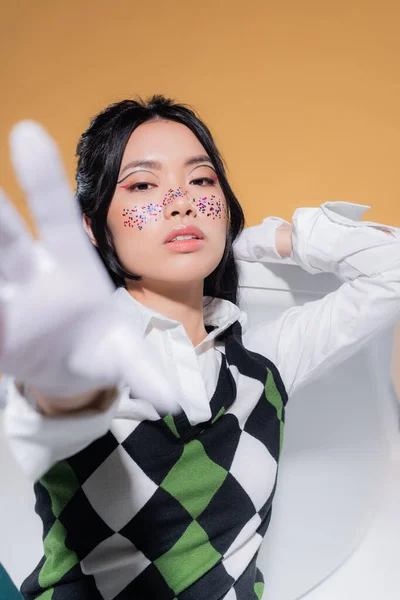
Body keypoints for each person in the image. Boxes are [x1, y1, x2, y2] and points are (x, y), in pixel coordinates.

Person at [1, 95, 399, 600]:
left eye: (202, 180)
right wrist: (57, 374)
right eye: (143, 184)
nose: (182, 201)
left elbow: (393, 271)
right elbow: (60, 403)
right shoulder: (81, 359)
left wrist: (277, 239)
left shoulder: (264, 361)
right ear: (94, 227)